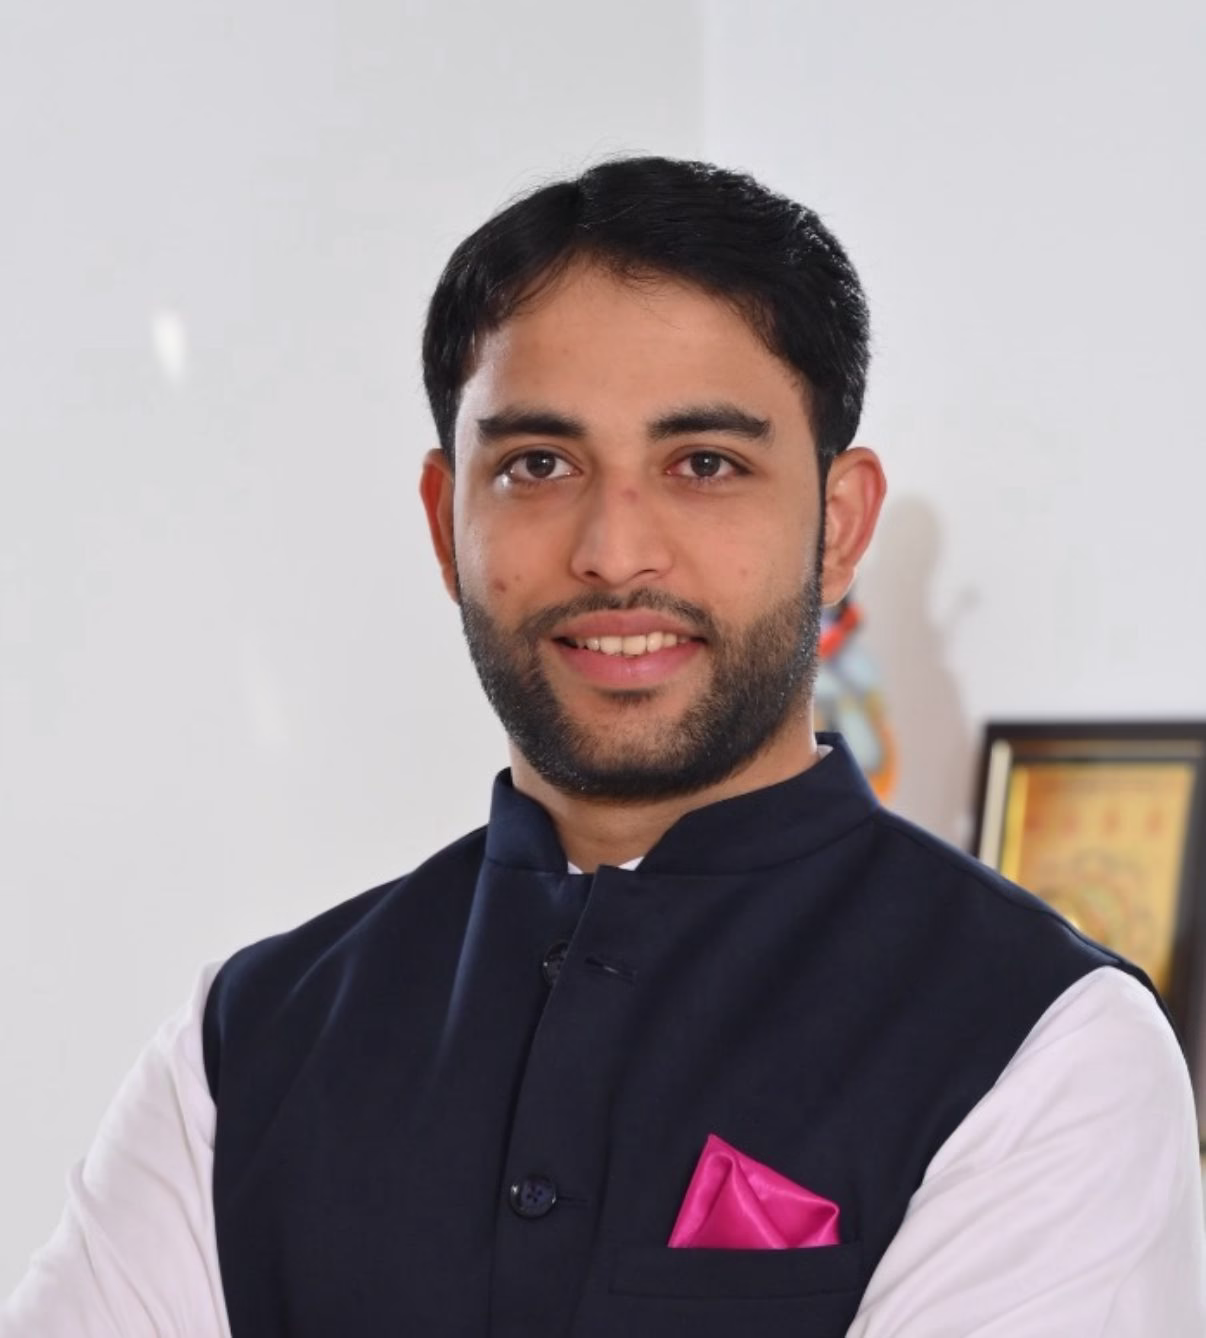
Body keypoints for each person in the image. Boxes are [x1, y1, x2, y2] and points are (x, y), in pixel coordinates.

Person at [4, 156, 1203, 1338]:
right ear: (447, 523)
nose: (615, 553)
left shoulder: (1049, 1047)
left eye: (705, 465)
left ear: (838, 527)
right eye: (538, 466)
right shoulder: (242, 1044)